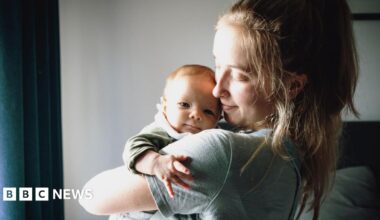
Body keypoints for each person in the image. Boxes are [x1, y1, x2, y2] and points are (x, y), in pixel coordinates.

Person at [80, 0, 358, 219]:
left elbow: (91, 196)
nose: (217, 89)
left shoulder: (225, 153)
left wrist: (161, 136)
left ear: (291, 85)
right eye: (218, 65)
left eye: (239, 75)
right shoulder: (289, 157)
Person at [111, 64, 221, 220]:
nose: (196, 114)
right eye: (184, 105)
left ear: (218, 119)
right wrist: (156, 162)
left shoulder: (215, 139)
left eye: (208, 111)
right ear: (165, 106)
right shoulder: (162, 131)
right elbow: (133, 147)